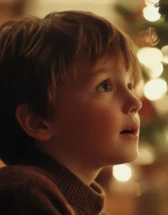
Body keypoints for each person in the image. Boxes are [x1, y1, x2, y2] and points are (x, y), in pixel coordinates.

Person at [0, 10, 142, 215]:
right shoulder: (23, 192)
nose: (135, 102)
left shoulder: (81, 202)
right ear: (38, 121)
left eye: (129, 85)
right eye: (105, 86)